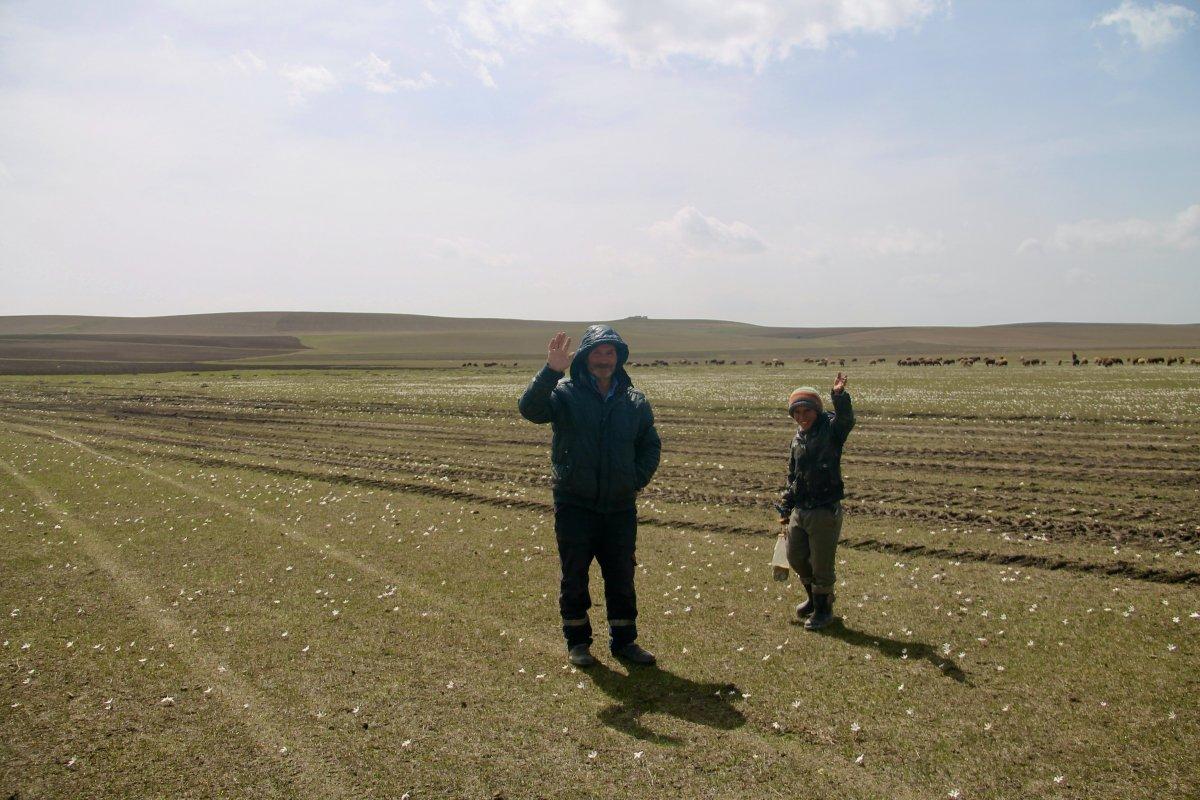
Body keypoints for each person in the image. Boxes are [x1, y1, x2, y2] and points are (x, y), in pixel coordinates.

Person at [518, 325, 662, 667]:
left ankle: (625, 642)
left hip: (619, 506)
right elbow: (530, 409)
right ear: (584, 357)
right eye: (597, 352)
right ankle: (578, 642)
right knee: (575, 574)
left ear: (619, 358)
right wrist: (551, 371)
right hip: (575, 503)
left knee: (621, 575)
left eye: (610, 352)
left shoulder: (634, 401)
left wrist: (634, 480)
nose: (604, 358)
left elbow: (650, 443)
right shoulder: (565, 395)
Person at [778, 373, 854, 630]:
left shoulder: (831, 430)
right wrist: (787, 502)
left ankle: (824, 610)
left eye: (806, 410)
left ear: (817, 410)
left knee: (822, 563)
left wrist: (839, 396)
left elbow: (846, 420)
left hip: (824, 508)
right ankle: (813, 599)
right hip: (801, 508)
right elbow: (793, 474)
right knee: (796, 556)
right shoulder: (797, 438)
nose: (802, 417)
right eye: (796, 412)